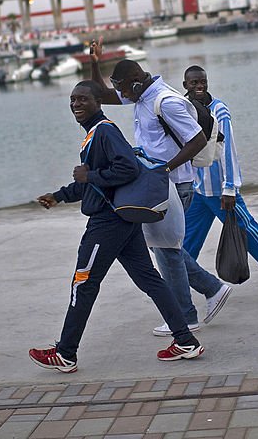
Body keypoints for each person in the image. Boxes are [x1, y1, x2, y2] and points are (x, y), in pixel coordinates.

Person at [28, 80, 204, 373]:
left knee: (83, 283)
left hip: (107, 225)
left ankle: (66, 353)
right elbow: (94, 185)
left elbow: (126, 169)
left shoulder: (105, 132)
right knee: (149, 279)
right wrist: (59, 196)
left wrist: (91, 175)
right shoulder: (95, 135)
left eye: (83, 99)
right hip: (123, 221)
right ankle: (186, 341)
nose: (76, 105)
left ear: (98, 101)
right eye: (72, 100)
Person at [89, 40, 233, 337]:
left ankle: (186, 316)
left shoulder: (165, 101)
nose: (122, 94)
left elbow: (195, 141)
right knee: (167, 249)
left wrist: (164, 168)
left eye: (124, 88)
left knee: (167, 251)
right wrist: (95, 62)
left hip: (175, 184)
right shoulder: (140, 95)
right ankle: (212, 289)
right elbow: (101, 95)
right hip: (159, 184)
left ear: (137, 81)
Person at [182, 65, 258, 297]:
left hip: (220, 190)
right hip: (200, 191)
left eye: (203, 81)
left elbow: (228, 150)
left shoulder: (219, 110)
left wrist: (230, 188)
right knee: (184, 243)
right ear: (185, 85)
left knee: (247, 232)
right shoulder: (184, 109)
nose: (199, 86)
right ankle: (177, 285)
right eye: (194, 82)